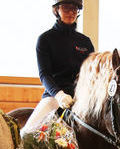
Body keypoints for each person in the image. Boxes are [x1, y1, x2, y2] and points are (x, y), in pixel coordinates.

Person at [22, 0, 94, 132]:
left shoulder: (85, 42)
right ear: (56, 10)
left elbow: (92, 74)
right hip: (54, 97)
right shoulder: (45, 39)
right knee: (27, 134)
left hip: (81, 98)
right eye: (66, 8)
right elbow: (44, 75)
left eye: (75, 9)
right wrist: (59, 95)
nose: (71, 12)